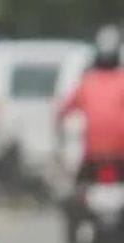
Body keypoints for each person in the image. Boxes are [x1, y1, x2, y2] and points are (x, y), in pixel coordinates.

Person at [58, 24, 124, 178]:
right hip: (120, 152)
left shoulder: (87, 82)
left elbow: (62, 110)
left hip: (92, 152)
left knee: (77, 187)